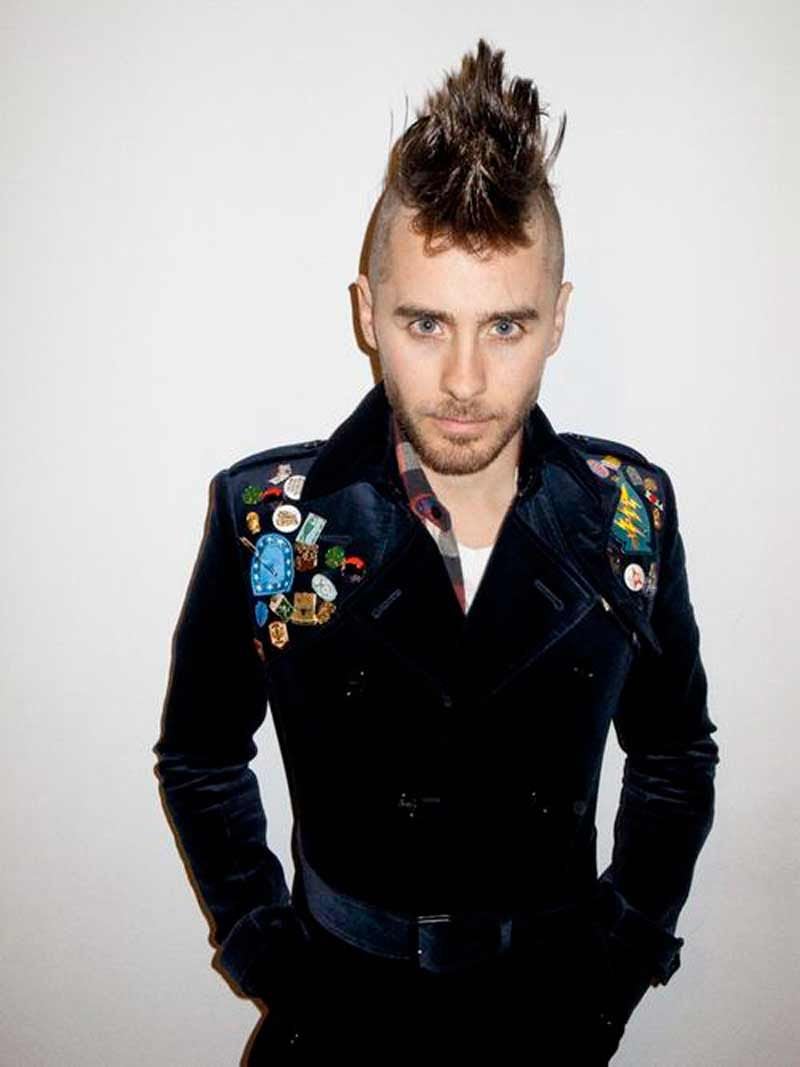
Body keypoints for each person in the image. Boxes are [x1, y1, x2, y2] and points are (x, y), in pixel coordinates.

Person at [154, 37, 719, 1065]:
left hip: (551, 1020)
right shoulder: (267, 518)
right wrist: (268, 953)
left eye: (504, 325)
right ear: (368, 314)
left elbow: (674, 754)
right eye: (425, 322)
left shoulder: (627, 515)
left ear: (558, 319)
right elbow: (201, 751)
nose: (463, 380)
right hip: (335, 1018)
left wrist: (618, 965)